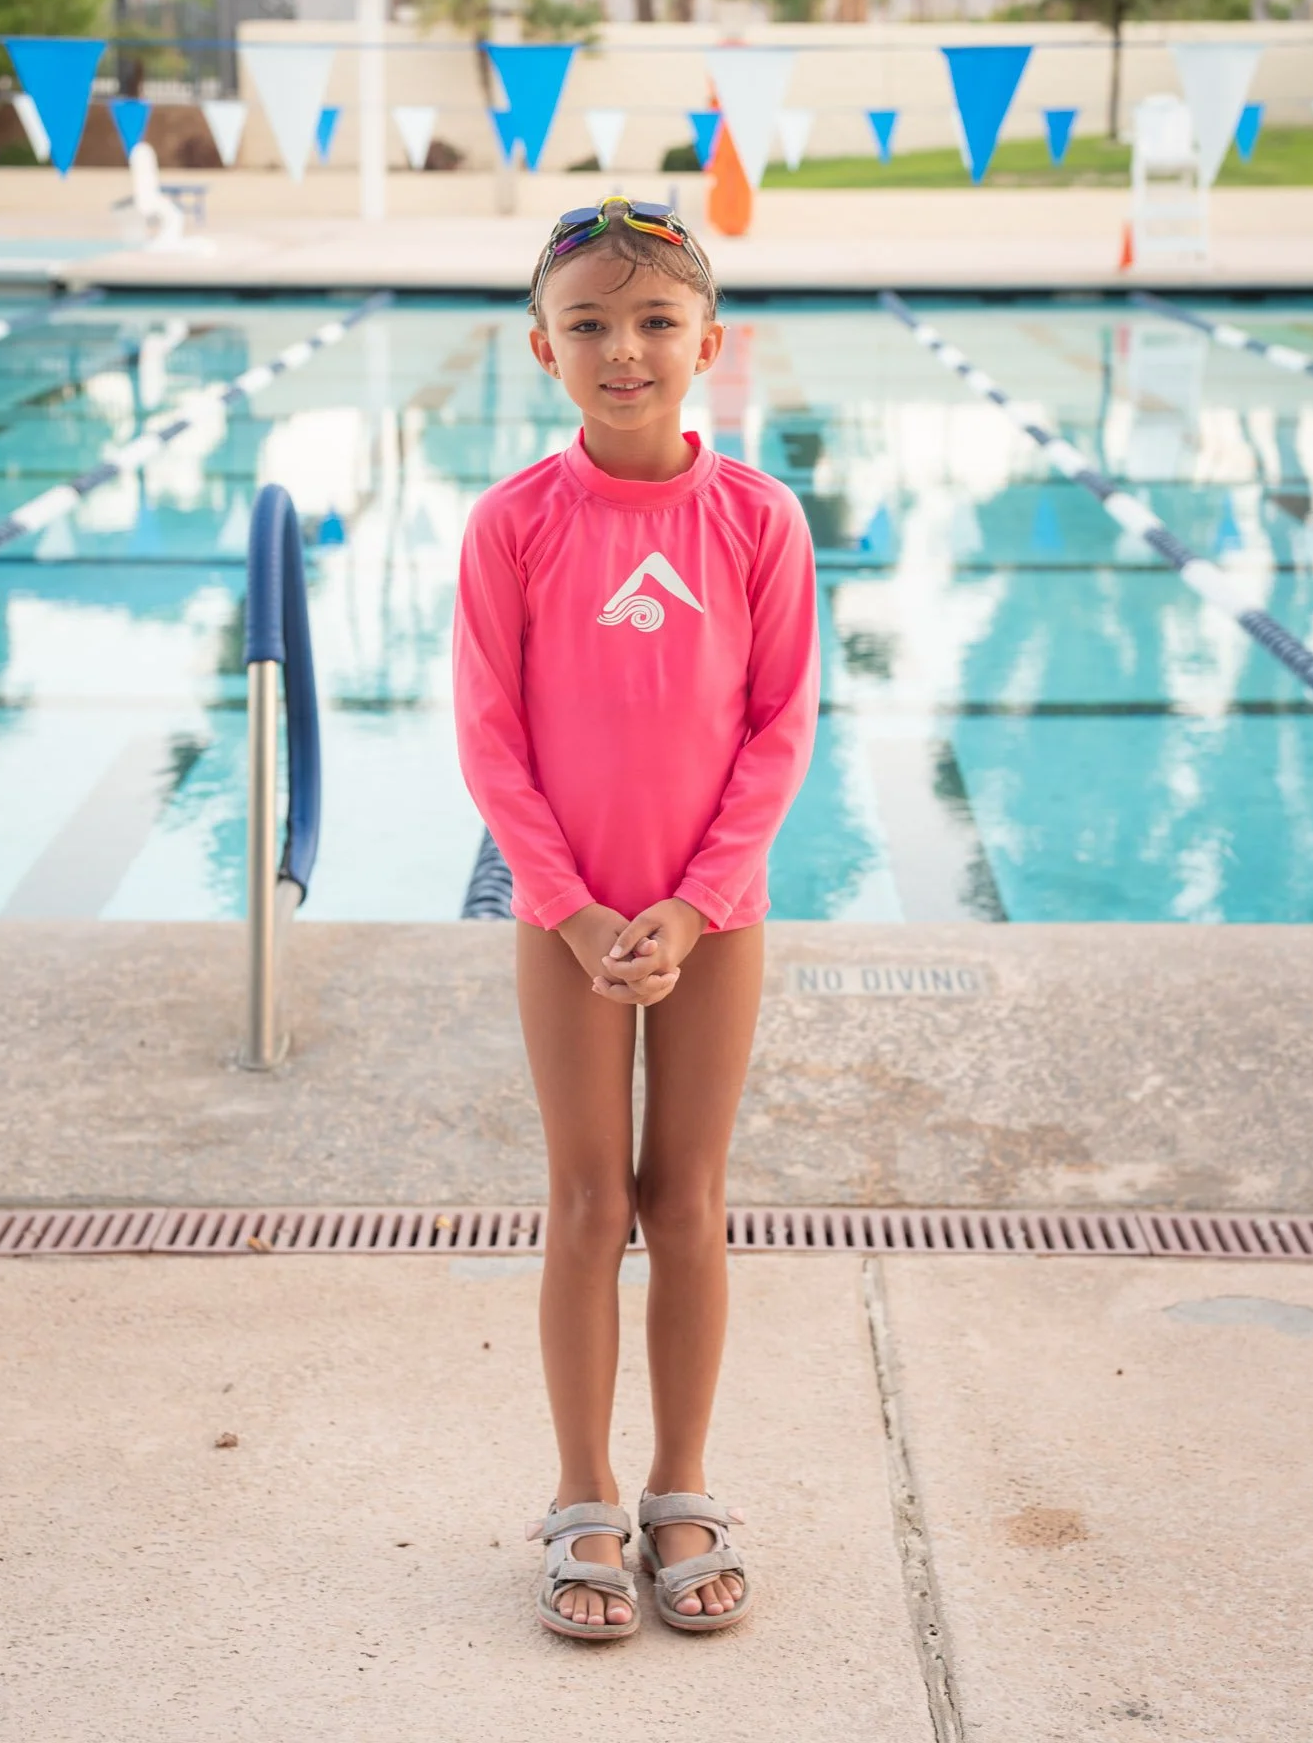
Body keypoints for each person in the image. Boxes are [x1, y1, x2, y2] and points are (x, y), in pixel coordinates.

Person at [451, 197, 820, 1641]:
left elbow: (782, 729)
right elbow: (490, 740)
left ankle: (680, 1484)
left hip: (712, 919)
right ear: (540, 349)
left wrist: (692, 902)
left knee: (689, 1198)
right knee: (590, 1203)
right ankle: (583, 1491)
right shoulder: (515, 526)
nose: (624, 349)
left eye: (655, 321)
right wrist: (576, 908)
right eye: (590, 324)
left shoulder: (757, 519)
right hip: (566, 924)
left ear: (710, 345)